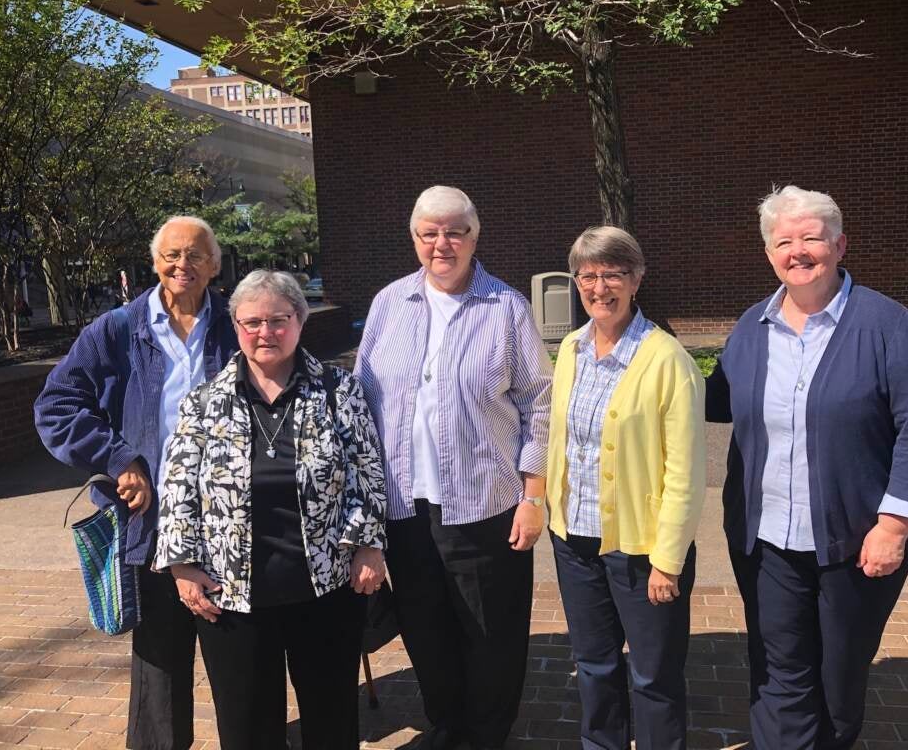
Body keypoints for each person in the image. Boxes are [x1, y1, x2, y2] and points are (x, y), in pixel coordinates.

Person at [706, 185, 908, 750]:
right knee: (779, 670)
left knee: (839, 676)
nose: (797, 250)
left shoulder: (884, 323)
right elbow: (712, 400)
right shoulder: (753, 326)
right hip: (767, 540)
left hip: (855, 541)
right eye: (783, 240)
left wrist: (894, 526)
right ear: (769, 253)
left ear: (840, 245)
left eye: (811, 238)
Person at [354, 186, 553, 750]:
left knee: (491, 633)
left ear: (474, 235)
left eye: (455, 231)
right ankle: (447, 725)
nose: (442, 243)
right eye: (429, 233)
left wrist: (533, 496)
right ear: (414, 238)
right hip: (405, 508)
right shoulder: (389, 304)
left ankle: (486, 735)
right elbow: (363, 401)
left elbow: (540, 403)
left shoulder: (506, 306)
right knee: (426, 629)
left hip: (487, 504)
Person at [154, 269, 387, 750]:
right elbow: (177, 485)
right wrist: (181, 563)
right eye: (252, 322)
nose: (265, 332)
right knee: (246, 727)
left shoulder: (337, 390)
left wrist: (368, 544)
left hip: (326, 586)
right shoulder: (203, 402)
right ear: (236, 326)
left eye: (279, 319)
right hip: (232, 595)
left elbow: (368, 469)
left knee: (331, 718)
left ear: (300, 321)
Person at [35, 216, 238, 750]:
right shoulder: (117, 330)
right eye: (172, 255)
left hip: (229, 517)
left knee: (237, 647)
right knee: (161, 657)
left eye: (196, 255)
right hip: (149, 520)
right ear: (154, 263)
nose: (182, 265)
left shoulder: (238, 324)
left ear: (214, 265)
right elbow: (56, 406)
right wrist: (119, 457)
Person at [545, 226, 706, 750]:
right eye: (587, 275)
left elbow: (685, 471)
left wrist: (669, 559)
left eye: (612, 274)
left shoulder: (667, 361)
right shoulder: (570, 349)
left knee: (654, 676)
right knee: (594, 663)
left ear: (636, 279)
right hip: (575, 541)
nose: (599, 287)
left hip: (641, 550)